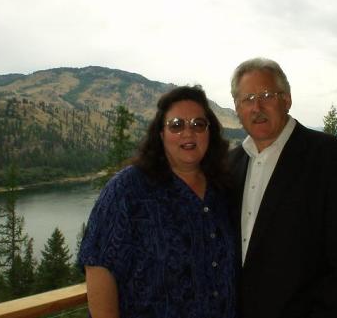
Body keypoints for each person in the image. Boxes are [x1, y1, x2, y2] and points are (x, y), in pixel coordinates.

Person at [228, 57, 337, 318]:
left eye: (266, 95)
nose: (257, 106)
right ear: (237, 108)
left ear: (286, 99)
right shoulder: (229, 165)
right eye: (247, 99)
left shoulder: (335, 158)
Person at [78, 86, 236, 318]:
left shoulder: (223, 188)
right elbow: (99, 267)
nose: (188, 133)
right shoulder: (129, 189)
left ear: (209, 132)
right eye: (176, 125)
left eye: (198, 124)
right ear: (161, 134)